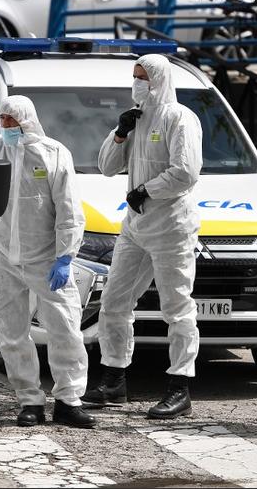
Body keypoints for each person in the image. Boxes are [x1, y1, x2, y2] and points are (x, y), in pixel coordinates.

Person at [0, 95, 95, 429]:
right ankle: (29, 400)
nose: (5, 125)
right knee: (11, 333)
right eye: (2, 119)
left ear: (27, 121)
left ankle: (68, 400)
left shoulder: (53, 153)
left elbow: (69, 210)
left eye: (11, 120)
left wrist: (65, 257)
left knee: (65, 329)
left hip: (45, 257)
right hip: (3, 256)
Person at [82, 53, 202, 419]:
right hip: (135, 227)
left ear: (160, 80)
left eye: (143, 77)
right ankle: (114, 379)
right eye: (134, 76)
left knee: (177, 308)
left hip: (171, 227)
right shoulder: (135, 118)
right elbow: (106, 167)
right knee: (114, 302)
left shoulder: (179, 118)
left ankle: (179, 387)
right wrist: (120, 134)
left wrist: (147, 191)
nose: (137, 83)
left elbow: (186, 172)